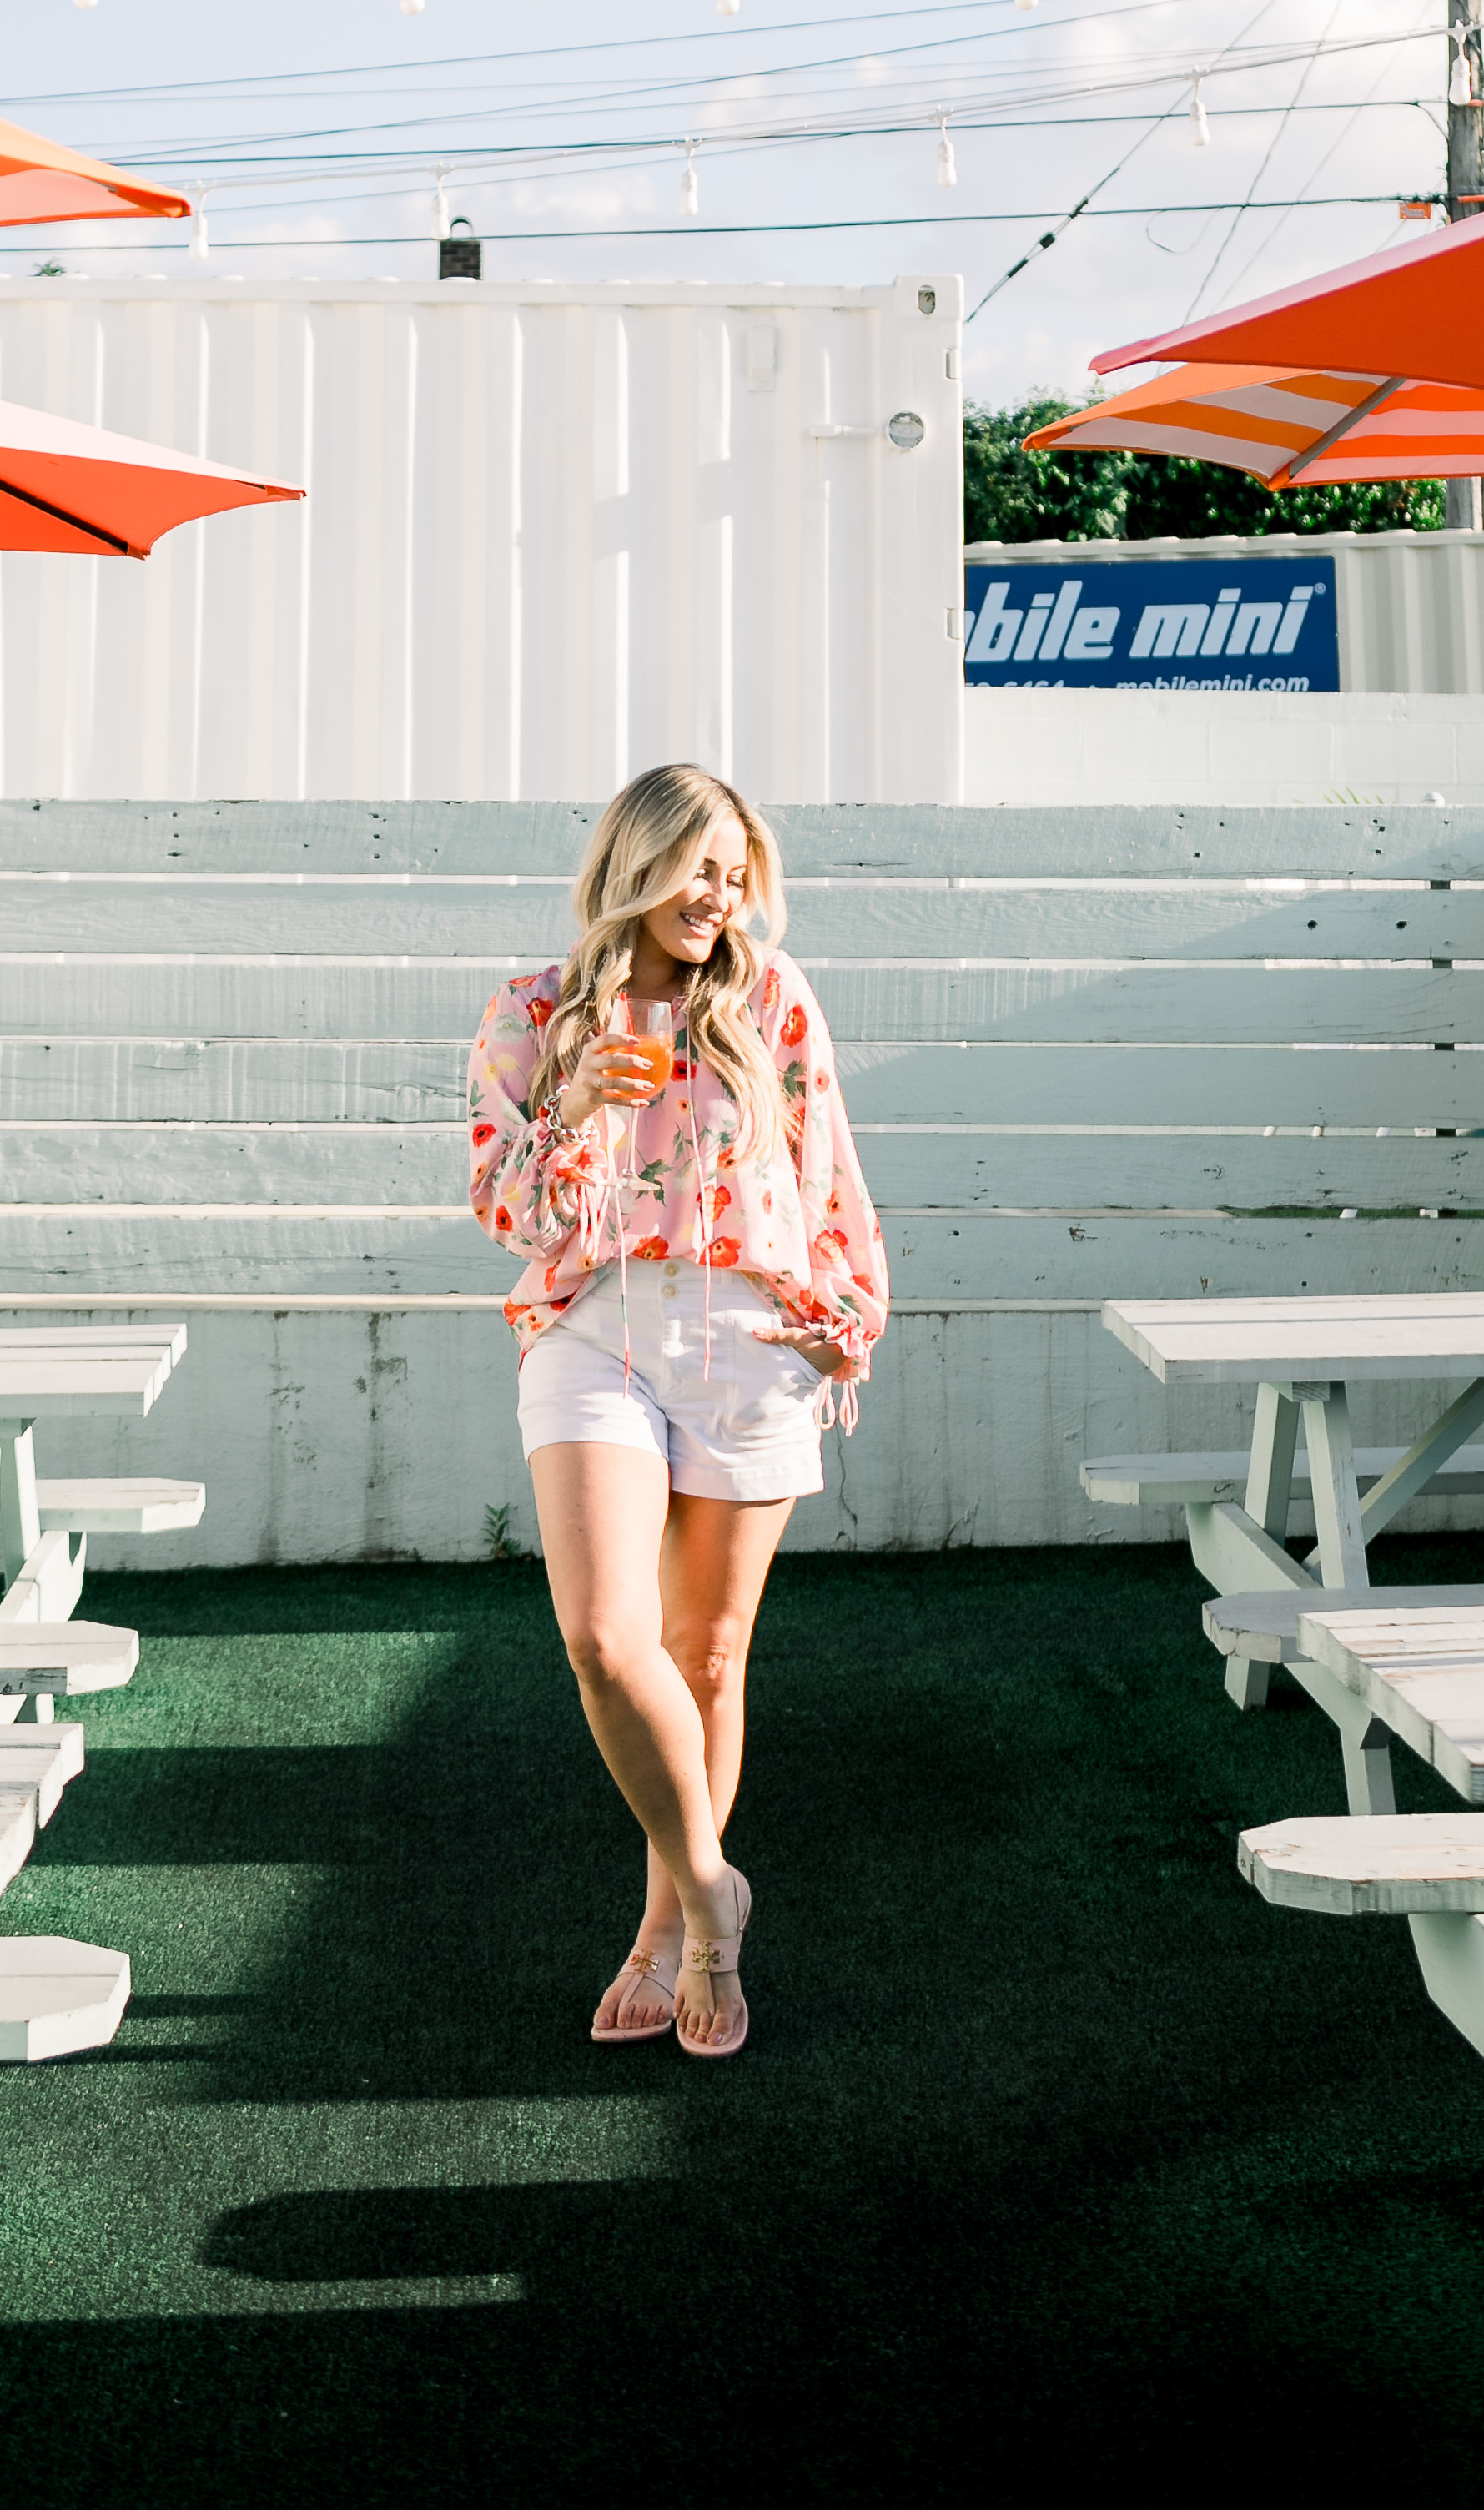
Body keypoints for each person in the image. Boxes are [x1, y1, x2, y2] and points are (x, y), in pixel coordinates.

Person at [466, 762, 888, 2059]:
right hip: (596, 1330)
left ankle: (675, 1938)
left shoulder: (771, 997)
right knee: (605, 1638)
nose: (715, 895)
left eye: (730, 870)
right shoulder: (534, 1009)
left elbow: (828, 1163)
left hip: (750, 1337)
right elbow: (503, 1214)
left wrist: (845, 1313)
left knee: (708, 1652)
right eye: (693, 867)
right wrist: (579, 1106)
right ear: (633, 866)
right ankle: (716, 1880)